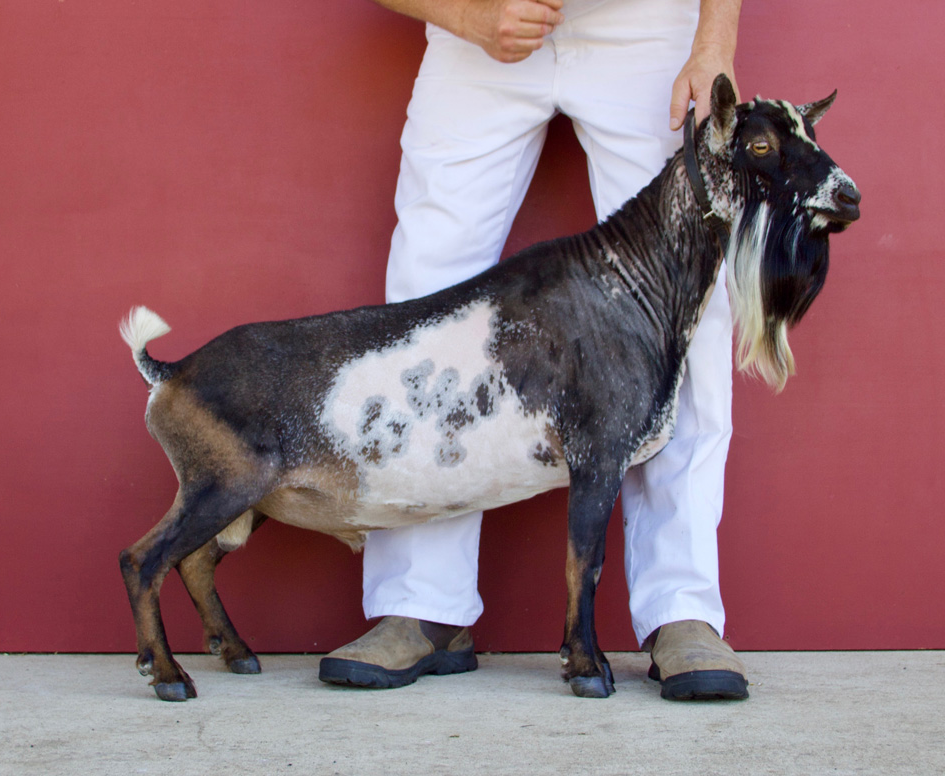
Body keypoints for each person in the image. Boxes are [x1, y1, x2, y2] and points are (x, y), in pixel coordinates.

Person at [319, 0, 748, 700]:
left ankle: (685, 609)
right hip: (479, 28)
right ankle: (423, 603)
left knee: (688, 301)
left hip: (645, 26)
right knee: (425, 296)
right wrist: (462, 13)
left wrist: (714, 43)